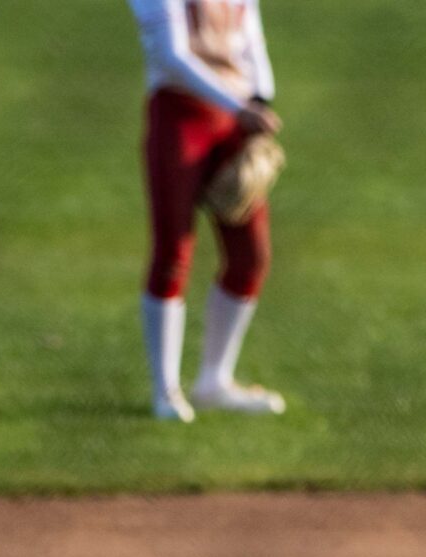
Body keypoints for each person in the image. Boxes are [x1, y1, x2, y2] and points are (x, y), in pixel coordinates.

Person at [131, 0, 288, 421]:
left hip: (234, 121)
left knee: (250, 255)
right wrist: (241, 107)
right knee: (174, 250)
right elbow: (172, 55)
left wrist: (260, 99)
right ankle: (165, 391)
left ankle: (214, 381)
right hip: (180, 115)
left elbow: (250, 33)